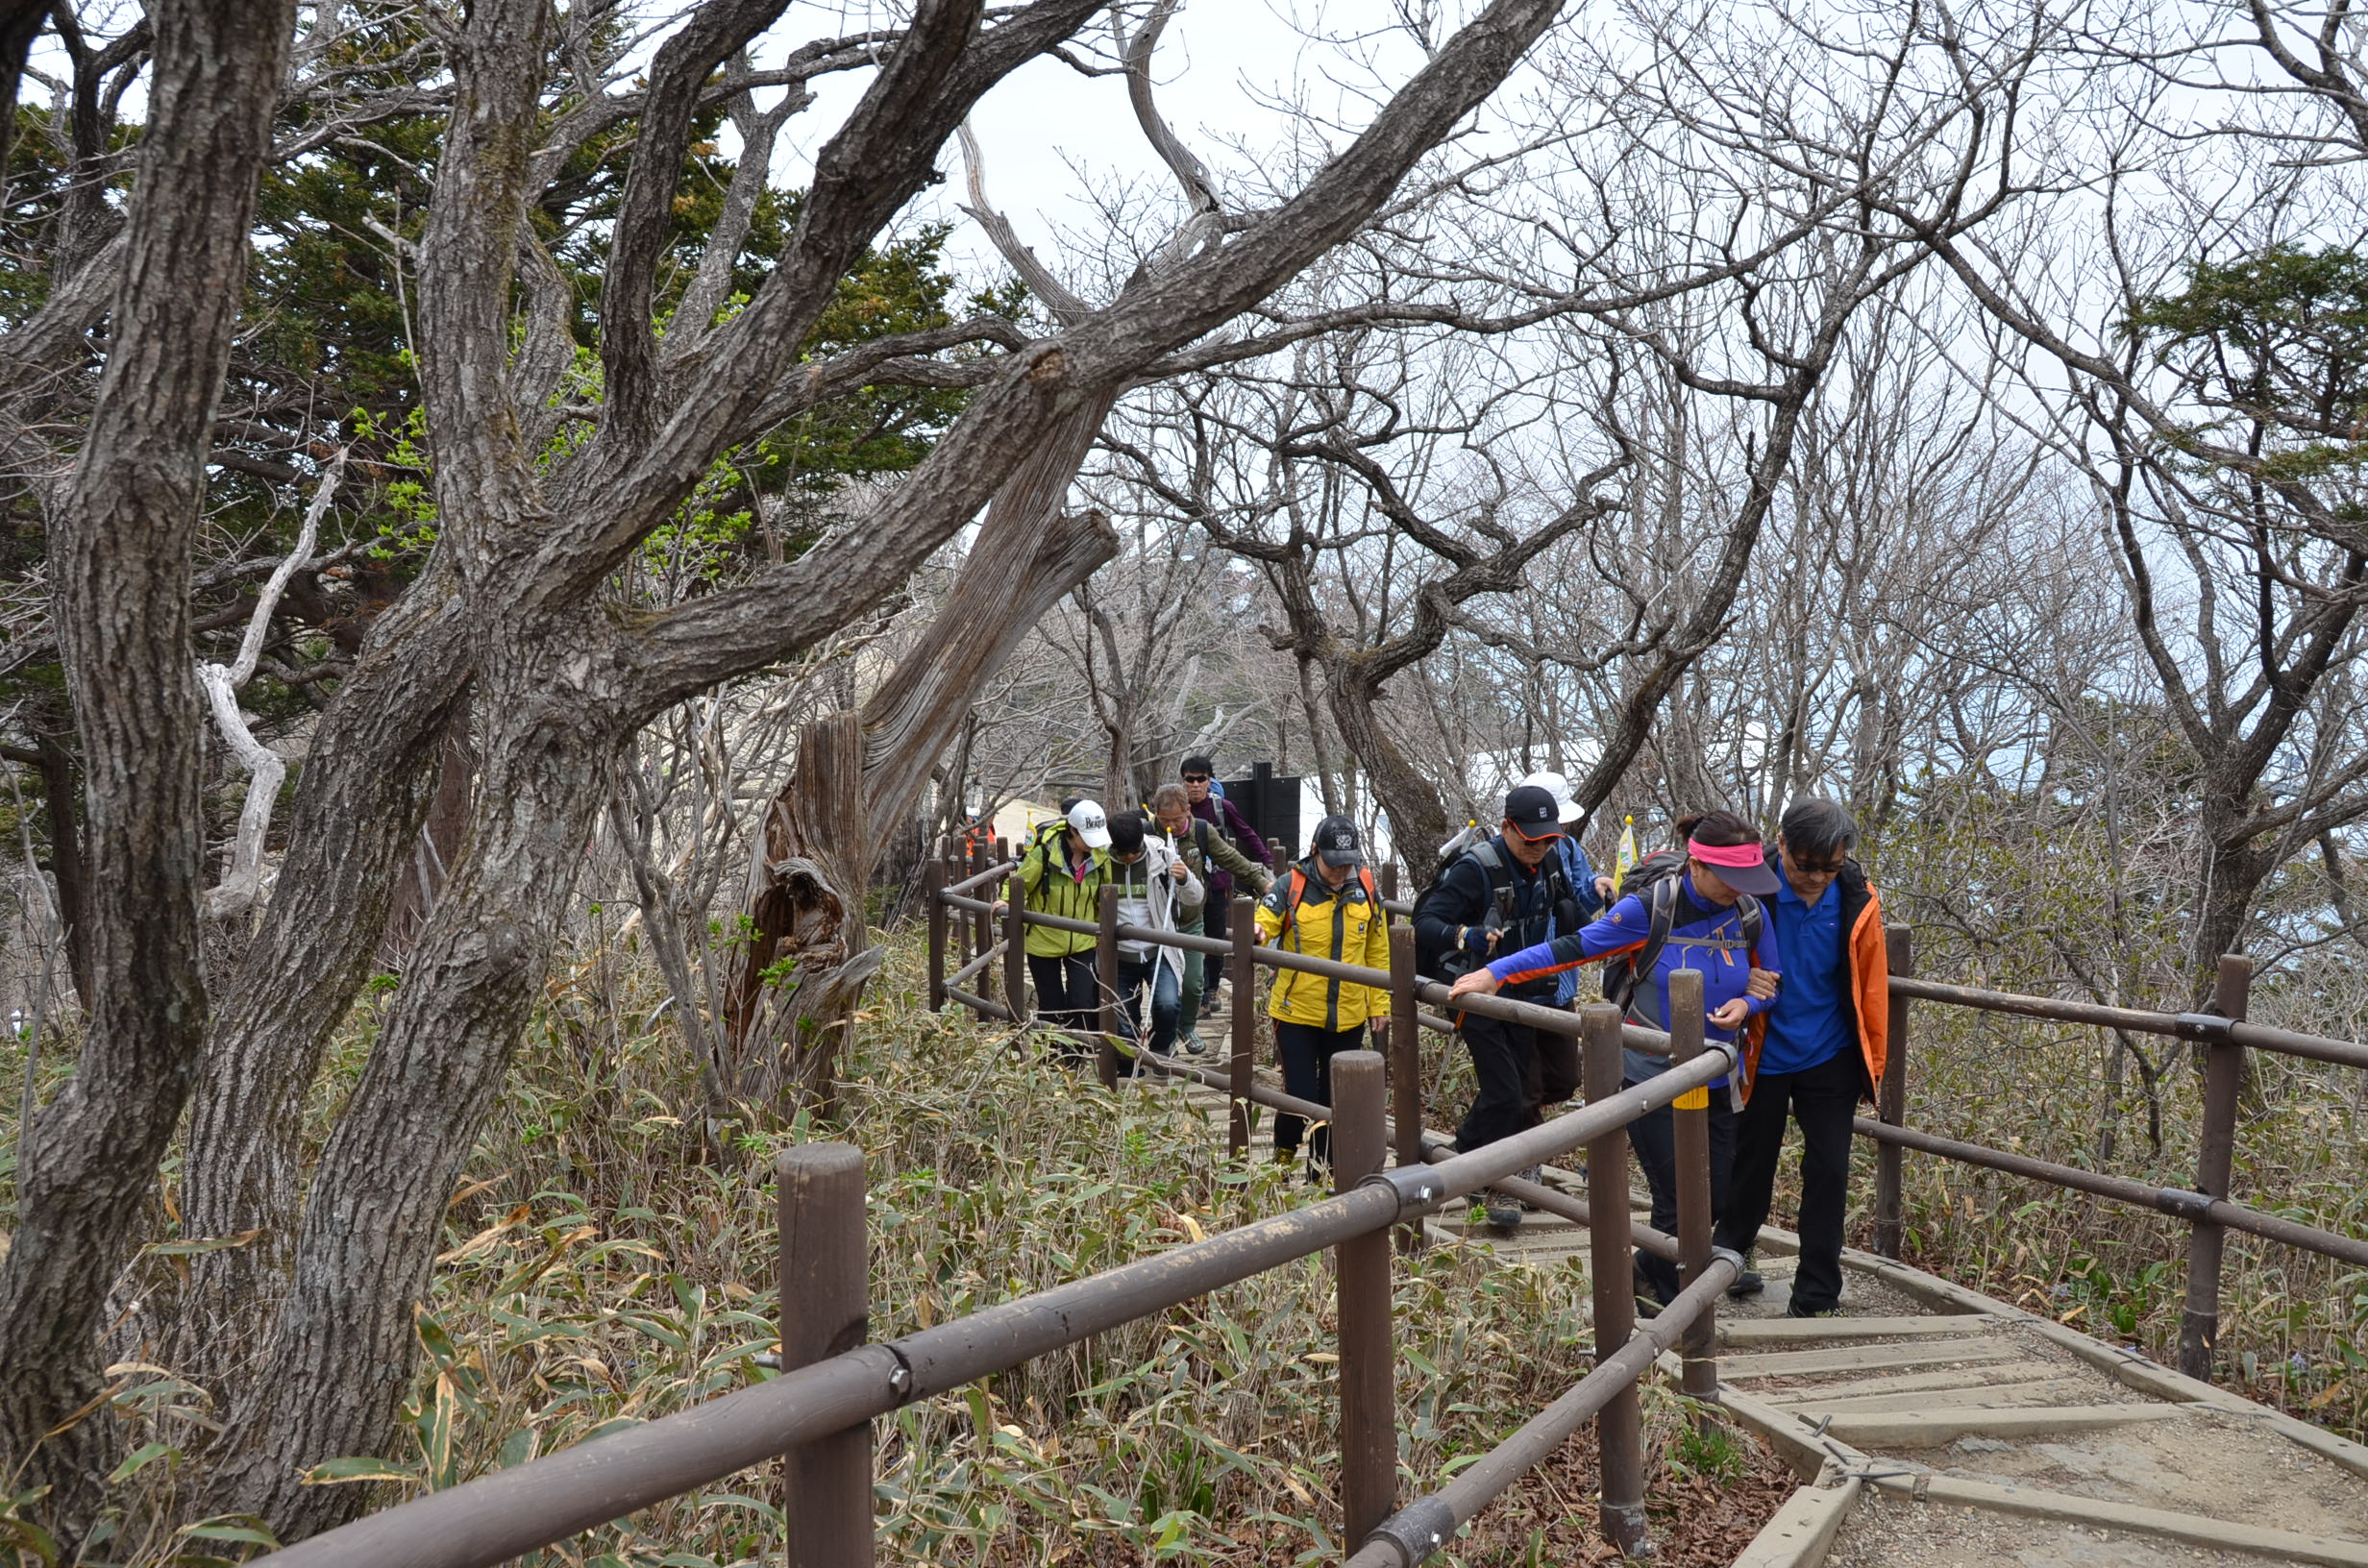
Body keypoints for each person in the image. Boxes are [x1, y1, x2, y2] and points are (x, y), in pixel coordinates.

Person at [1449, 810, 1781, 1307]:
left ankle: (1647, 1269)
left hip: (1717, 1075)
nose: (1738, 888)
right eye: (1728, 878)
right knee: (1676, 1197)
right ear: (1697, 865)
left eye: (1745, 879)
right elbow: (1573, 946)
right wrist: (1496, 973)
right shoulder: (1651, 909)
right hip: (1650, 1075)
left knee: (1711, 1194)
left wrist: (1751, 1003)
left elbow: (1770, 980)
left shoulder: (1750, 914)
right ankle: (1674, 1310)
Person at [1714, 798, 1888, 1316]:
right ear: (1782, 844)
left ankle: (1816, 1293)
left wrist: (1873, 1064)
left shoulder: (1858, 899)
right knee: (1751, 1165)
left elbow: (1873, 988)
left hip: (1830, 1054)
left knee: (1830, 1171)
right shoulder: (1747, 892)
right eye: (1804, 864)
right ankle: (1731, 1257)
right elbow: (1709, 956)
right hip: (1760, 1049)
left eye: (1828, 867)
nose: (1815, 877)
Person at [1413, 783, 1589, 1231]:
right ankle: (1469, 1170)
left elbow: (1565, 904)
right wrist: (1464, 935)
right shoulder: (1476, 868)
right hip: (1475, 993)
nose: (1541, 847)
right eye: (1531, 838)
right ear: (1508, 827)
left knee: (1531, 1088)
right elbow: (1425, 921)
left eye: (1550, 837)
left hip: (1525, 992)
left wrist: (1590, 919)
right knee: (1507, 1093)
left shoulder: (1550, 859)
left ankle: (1464, 1163)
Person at [1254, 814, 1390, 1177]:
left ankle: (1322, 1175)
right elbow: (1264, 922)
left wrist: (1379, 1003)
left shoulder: (1365, 886)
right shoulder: (1290, 886)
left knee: (1335, 1098)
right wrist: (1256, 931)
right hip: (1296, 1011)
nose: (1340, 870)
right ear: (1315, 851)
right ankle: (1282, 1157)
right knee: (1300, 1097)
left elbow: (1377, 949)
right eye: (1333, 863)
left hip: (1348, 1013)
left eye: (1347, 863)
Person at [1150, 783, 1272, 1052]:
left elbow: (1231, 858)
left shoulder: (1202, 831)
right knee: (1163, 992)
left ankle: (1188, 1027)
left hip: (1191, 920)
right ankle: (1164, 1038)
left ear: (1188, 811)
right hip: (1156, 924)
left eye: (1176, 819)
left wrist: (1260, 881)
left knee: (1194, 984)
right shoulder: (1148, 833)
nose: (1170, 825)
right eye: (1164, 820)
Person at [1010, 799, 1114, 1045]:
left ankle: (1074, 1052)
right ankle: (1053, 1057)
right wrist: (1006, 903)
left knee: (1082, 1000)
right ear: (1073, 831)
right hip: (1043, 941)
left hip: (1083, 941)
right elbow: (1018, 886)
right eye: (1087, 836)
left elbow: (1108, 896)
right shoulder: (1044, 854)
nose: (1093, 842)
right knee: (1051, 1004)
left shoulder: (1100, 858)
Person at [1105, 811, 1203, 1062]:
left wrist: (1184, 879)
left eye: (1134, 852)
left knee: (1168, 1004)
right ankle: (1128, 1064)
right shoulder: (1100, 861)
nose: (1129, 858)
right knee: (1123, 1016)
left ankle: (1161, 1049)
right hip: (1119, 953)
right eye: (1122, 853)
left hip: (1159, 949)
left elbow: (1196, 897)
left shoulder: (1161, 856)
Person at [1516, 771, 1616, 1009]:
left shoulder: (1568, 846)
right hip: (1519, 983)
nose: (1564, 825)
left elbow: (1576, 907)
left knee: (1563, 1042)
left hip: (1562, 982)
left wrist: (1595, 887)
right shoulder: (1506, 855)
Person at [1182, 756, 1273, 1017]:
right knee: (1188, 934)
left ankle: (1210, 990)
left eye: (1201, 779)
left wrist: (1266, 861)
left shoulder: (1221, 807)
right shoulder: (1177, 809)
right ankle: (1195, 991)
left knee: (1215, 934)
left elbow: (1246, 833)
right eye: (1190, 779)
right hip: (1185, 885)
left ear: (1210, 781)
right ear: (1183, 781)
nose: (1196, 785)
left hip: (1217, 881)